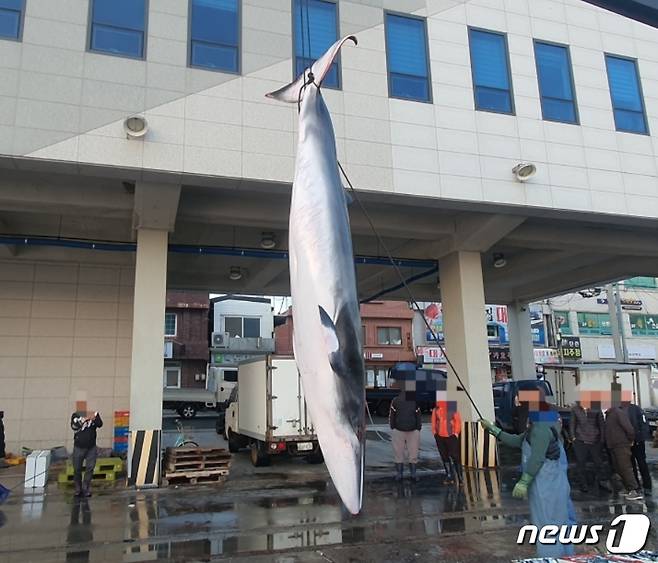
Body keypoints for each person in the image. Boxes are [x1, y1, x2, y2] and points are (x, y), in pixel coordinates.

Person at [481, 389, 575, 558]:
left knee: (547, 526)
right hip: (555, 482)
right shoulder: (543, 418)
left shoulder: (540, 426)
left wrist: (524, 480)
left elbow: (537, 457)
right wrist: (495, 431)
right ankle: (566, 556)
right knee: (560, 523)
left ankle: (551, 558)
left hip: (546, 485)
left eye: (520, 399)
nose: (517, 402)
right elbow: (520, 440)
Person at [604, 387, 642, 500]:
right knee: (619, 468)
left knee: (625, 468)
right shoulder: (609, 413)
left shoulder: (618, 413)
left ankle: (634, 490)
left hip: (621, 445)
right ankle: (628, 489)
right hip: (613, 446)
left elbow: (629, 429)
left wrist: (630, 440)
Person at [569, 390, 606, 493]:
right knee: (581, 464)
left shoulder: (596, 409)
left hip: (595, 440)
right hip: (580, 441)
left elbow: (601, 424)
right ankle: (583, 485)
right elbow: (572, 424)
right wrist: (573, 438)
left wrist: (602, 439)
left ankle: (598, 483)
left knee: (598, 463)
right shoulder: (575, 409)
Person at [622, 391, 652, 495]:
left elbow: (644, 424)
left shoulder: (636, 409)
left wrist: (639, 438)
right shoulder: (619, 410)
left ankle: (647, 485)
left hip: (638, 442)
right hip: (626, 443)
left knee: (642, 463)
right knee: (631, 465)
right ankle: (636, 485)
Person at [389, 387, 422, 482]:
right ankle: (412, 474)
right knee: (413, 453)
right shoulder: (398, 401)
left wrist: (393, 426)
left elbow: (392, 415)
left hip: (404, 430)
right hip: (407, 430)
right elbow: (418, 415)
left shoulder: (396, 400)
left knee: (399, 453)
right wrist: (418, 428)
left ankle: (400, 474)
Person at [431, 394, 463, 485]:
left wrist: (456, 433)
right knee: (444, 456)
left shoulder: (452, 407)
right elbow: (433, 422)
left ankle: (460, 478)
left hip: (451, 436)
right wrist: (434, 433)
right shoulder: (435, 409)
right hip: (440, 437)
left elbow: (458, 421)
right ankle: (449, 476)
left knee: (455, 456)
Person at [70, 410, 103, 497]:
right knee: (77, 468)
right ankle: (78, 488)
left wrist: (94, 419)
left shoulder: (95, 414)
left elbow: (100, 424)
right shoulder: (76, 415)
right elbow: (74, 426)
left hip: (91, 447)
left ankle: (86, 488)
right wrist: (85, 419)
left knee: (90, 468)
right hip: (78, 447)